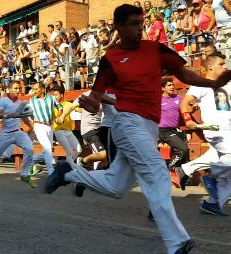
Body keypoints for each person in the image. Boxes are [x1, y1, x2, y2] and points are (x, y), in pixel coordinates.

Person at [44, 4, 231, 254]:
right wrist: (91, 102)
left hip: (149, 126)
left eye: (141, 23)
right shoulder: (109, 59)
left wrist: (212, 83)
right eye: (133, 24)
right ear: (118, 28)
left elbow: (183, 74)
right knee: (158, 174)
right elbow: (97, 95)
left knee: (116, 185)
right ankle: (178, 243)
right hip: (127, 122)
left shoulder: (155, 50)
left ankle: (68, 173)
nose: (139, 28)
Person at [179, 52, 231, 216]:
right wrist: (188, 120)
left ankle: (211, 203)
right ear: (210, 66)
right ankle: (211, 177)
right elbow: (185, 104)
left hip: (228, 130)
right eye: (221, 64)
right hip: (215, 129)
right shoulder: (201, 84)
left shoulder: (228, 84)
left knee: (217, 157)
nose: (225, 66)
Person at [159, 77, 189, 181]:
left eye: (172, 85)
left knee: (185, 151)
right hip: (164, 130)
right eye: (169, 85)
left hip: (176, 129)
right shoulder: (158, 100)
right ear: (162, 88)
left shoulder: (179, 98)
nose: (172, 87)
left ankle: (181, 177)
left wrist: (195, 106)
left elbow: (189, 105)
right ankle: (169, 169)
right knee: (182, 149)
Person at [28, 82, 62, 175]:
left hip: (50, 126)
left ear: (42, 90)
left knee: (48, 150)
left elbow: (60, 108)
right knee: (47, 148)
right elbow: (28, 113)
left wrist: (59, 116)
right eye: (33, 89)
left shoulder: (52, 98)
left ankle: (31, 161)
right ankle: (51, 172)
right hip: (39, 125)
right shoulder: (32, 101)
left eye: (36, 89)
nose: (34, 91)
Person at [52, 87, 81, 168]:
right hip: (59, 131)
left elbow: (78, 108)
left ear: (61, 95)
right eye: (53, 95)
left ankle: (65, 166)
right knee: (69, 151)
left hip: (69, 131)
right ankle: (69, 168)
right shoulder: (52, 106)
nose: (54, 97)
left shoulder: (68, 104)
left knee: (78, 150)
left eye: (56, 95)